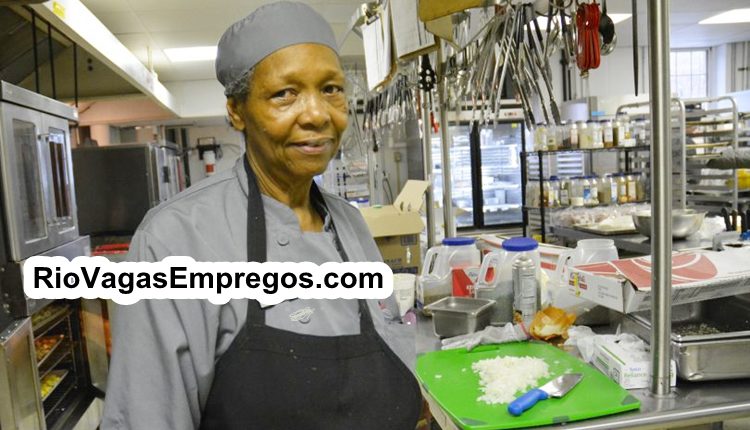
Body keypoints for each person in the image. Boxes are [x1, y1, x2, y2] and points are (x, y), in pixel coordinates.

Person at [100, 2, 421, 429]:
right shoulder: (176, 240)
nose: (316, 114)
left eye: (331, 89)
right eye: (284, 94)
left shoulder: (350, 224)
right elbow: (149, 417)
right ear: (237, 111)